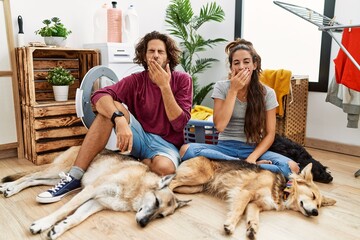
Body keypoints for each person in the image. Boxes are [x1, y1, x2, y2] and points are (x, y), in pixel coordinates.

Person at [36, 31, 193, 203]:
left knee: (165, 169)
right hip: (140, 136)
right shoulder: (135, 81)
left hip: (167, 144)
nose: (155, 55)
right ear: (144, 55)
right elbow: (99, 96)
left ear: (168, 57)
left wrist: (164, 86)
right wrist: (119, 119)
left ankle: (137, 161)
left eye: (160, 52)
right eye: (151, 51)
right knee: (110, 109)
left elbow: (179, 124)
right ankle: (74, 177)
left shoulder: (183, 80)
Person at [180, 38, 299, 178]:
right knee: (185, 150)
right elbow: (220, 126)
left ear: (254, 65)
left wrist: (253, 158)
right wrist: (233, 91)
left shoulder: (268, 93)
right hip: (224, 148)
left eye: (246, 61)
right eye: (236, 63)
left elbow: (270, 134)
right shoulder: (222, 87)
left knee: (293, 168)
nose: (241, 66)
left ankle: (237, 165)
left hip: (252, 149)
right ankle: (246, 165)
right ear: (231, 68)